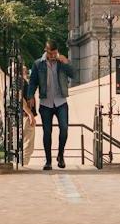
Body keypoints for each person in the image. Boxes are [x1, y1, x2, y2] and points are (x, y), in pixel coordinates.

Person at [22, 41, 83, 170]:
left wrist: (66, 62)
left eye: (55, 53)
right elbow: (33, 82)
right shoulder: (38, 64)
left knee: (64, 129)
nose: (53, 55)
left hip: (61, 102)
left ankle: (60, 155)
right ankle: (48, 161)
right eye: (51, 53)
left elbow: (74, 74)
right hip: (45, 104)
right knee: (47, 132)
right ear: (46, 50)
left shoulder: (61, 62)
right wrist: (30, 95)